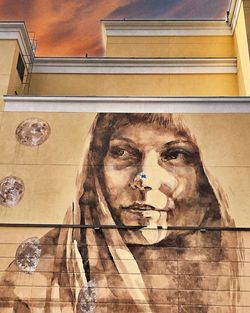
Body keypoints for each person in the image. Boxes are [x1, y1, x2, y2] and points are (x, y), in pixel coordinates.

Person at [0, 113, 242, 313]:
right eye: (122, 153)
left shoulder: (236, 270)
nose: (144, 180)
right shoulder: (35, 277)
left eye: (174, 155)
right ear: (95, 166)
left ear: (206, 176)